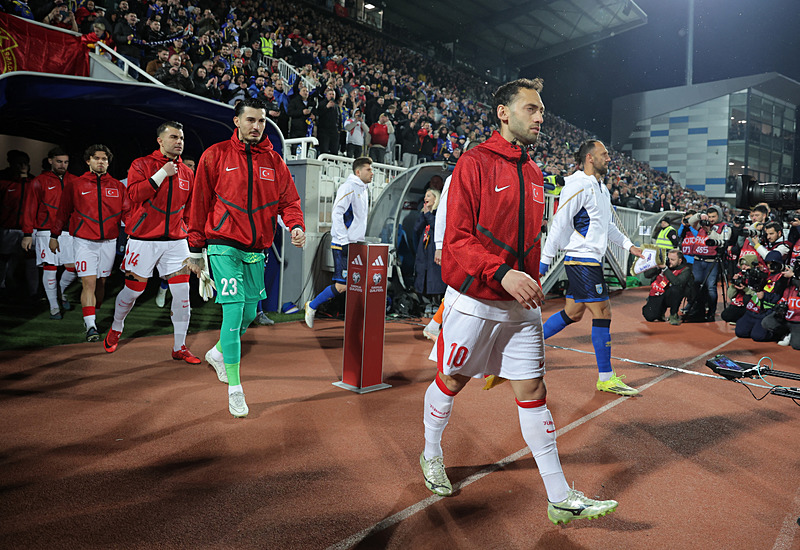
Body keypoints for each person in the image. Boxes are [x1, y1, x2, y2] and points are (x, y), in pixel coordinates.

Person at [420, 78, 618, 525]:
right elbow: (457, 240)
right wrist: (502, 273)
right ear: (503, 112)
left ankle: (560, 494)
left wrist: (533, 275)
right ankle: (431, 454)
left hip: (521, 306)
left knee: (533, 392)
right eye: (531, 108)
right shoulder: (472, 164)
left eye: (542, 110)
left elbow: (537, 236)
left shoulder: (533, 173)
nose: (540, 117)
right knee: (452, 381)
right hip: (475, 300)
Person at [188, 98, 306, 418]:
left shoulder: (275, 161)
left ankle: (216, 352)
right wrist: (195, 249)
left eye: (261, 121)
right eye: (251, 120)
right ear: (237, 121)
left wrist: (295, 225)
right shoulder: (215, 155)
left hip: (257, 250)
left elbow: (290, 201)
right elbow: (199, 202)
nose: (256, 126)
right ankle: (236, 389)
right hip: (222, 245)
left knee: (250, 313)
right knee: (234, 310)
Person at [539, 140, 644, 396]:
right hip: (581, 259)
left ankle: (526, 347)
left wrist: (630, 247)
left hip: (590, 259)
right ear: (589, 158)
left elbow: (607, 226)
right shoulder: (576, 184)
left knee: (573, 313)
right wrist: (544, 261)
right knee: (603, 312)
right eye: (604, 154)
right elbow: (560, 223)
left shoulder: (602, 188)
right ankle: (606, 378)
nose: (608, 158)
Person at [102, 122, 200, 363]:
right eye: (174, 137)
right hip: (143, 240)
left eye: (182, 138)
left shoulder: (188, 173)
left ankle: (179, 346)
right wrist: (162, 173)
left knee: (182, 293)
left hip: (176, 242)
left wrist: (189, 235)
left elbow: (189, 209)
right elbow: (134, 195)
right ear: (160, 140)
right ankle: (116, 327)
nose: (179, 142)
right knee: (134, 291)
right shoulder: (142, 164)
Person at [49, 145, 127, 342]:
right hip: (83, 241)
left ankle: (93, 312)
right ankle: (91, 325)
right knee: (89, 282)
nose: (100, 162)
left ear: (109, 162)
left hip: (109, 241)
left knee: (101, 283)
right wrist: (54, 235)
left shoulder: (118, 187)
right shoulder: (76, 184)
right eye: (96, 158)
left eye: (104, 159)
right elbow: (63, 211)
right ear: (88, 161)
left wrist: (134, 237)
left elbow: (128, 214)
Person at [304, 156, 373, 328]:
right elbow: (337, 213)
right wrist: (343, 239)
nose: (372, 173)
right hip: (344, 244)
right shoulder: (348, 187)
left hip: (356, 243)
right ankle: (312, 306)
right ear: (358, 171)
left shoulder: (363, 190)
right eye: (368, 169)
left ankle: (357, 320)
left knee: (358, 282)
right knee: (342, 285)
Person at [21, 147, 79, 319]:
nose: (63, 165)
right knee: (50, 268)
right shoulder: (39, 181)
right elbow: (30, 207)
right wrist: (27, 233)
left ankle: (60, 291)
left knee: (74, 268)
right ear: (50, 161)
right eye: (59, 161)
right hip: (46, 231)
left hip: (69, 231)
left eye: (66, 162)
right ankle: (54, 307)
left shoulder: (75, 180)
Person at [686, 205, 730, 321]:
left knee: (711, 287)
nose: (711, 219)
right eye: (709, 216)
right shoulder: (702, 224)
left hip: (712, 261)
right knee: (696, 285)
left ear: (719, 216)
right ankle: (698, 310)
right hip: (698, 260)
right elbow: (690, 222)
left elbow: (722, 241)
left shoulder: (724, 227)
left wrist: (709, 231)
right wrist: (700, 216)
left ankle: (711, 312)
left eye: (713, 217)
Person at [642, 249, 693, 325]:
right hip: (658, 293)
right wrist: (656, 266)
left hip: (672, 295)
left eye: (672, 260)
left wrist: (665, 269)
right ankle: (660, 312)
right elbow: (647, 275)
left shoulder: (686, 269)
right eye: (668, 259)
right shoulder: (664, 265)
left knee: (676, 289)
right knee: (649, 316)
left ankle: (673, 314)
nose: (670, 261)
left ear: (680, 260)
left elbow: (677, 282)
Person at [414, 188, 445, 310]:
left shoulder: (439, 213)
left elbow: (436, 226)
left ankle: (436, 303)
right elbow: (416, 229)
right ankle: (426, 302)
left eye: (429, 196)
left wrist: (428, 214)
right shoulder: (424, 213)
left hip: (435, 250)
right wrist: (424, 214)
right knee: (423, 275)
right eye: (425, 196)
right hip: (424, 251)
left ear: (435, 199)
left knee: (435, 276)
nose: (425, 198)